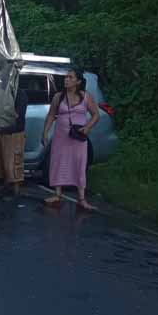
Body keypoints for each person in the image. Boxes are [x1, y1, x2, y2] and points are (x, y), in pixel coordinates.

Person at [41, 69, 100, 211]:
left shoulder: (86, 97)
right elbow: (51, 115)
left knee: (79, 163)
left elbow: (96, 115)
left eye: (70, 77)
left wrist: (88, 127)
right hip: (61, 136)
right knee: (58, 162)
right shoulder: (58, 97)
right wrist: (45, 132)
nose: (66, 79)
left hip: (78, 137)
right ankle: (57, 194)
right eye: (66, 77)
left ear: (78, 81)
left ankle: (81, 198)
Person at [0, 88, 28, 199]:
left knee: (14, 162)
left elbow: (17, 114)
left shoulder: (20, 93)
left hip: (14, 132)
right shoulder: (4, 91)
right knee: (2, 161)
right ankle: (6, 187)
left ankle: (16, 191)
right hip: (2, 130)